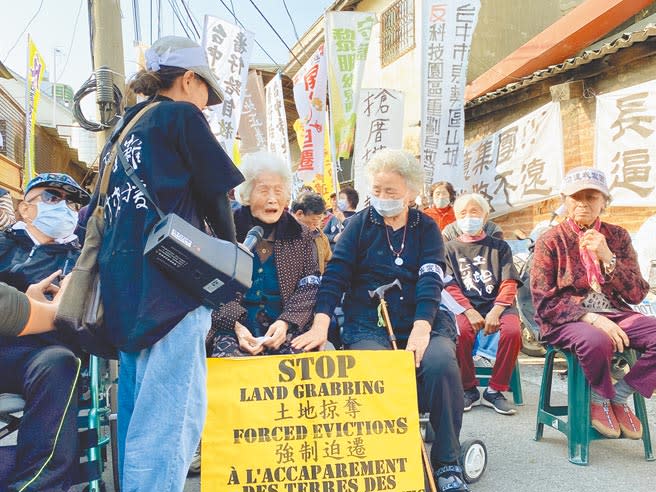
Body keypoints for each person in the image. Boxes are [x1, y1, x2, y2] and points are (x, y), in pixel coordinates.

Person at [91, 36, 244, 491]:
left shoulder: (123, 129)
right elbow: (215, 192)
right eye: (206, 93)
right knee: (171, 426)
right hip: (173, 286)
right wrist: (231, 254)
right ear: (190, 78)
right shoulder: (180, 116)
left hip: (125, 291)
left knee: (140, 421)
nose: (207, 104)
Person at [294, 149, 469, 492]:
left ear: (411, 192)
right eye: (378, 190)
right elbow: (336, 276)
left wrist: (422, 327)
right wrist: (321, 321)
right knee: (377, 368)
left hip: (422, 316)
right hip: (368, 319)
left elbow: (432, 276)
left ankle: (447, 461)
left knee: (440, 363)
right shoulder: (359, 224)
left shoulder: (426, 228)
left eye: (392, 191)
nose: (383, 198)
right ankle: (389, 456)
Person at [531, 167, 656, 439]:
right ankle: (599, 398)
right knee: (596, 340)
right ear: (564, 201)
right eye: (576, 197)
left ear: (604, 202)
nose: (583, 203)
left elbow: (636, 294)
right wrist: (591, 317)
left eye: (592, 197)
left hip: (615, 312)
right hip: (565, 319)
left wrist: (607, 256)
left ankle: (620, 396)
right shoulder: (550, 240)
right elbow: (542, 301)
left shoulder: (618, 236)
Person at [0, 172, 89, 491]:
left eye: (71, 202)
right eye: (53, 197)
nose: (64, 206)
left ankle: (36, 484)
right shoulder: (2, 245)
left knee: (60, 363)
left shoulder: (81, 260)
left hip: (42, 355)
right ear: (25, 208)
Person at [207, 152, 320, 358]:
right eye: (263, 190)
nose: (272, 199)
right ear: (247, 194)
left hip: (284, 328)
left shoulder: (300, 234)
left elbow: (310, 286)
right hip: (234, 329)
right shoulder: (222, 230)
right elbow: (207, 286)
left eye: (278, 191)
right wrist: (236, 327)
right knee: (230, 370)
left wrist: (285, 323)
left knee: (300, 370)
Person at [444, 193, 522, 415]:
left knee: (513, 332)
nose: (468, 217)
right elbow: (449, 286)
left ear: (486, 215)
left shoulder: (500, 247)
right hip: (464, 307)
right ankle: (468, 388)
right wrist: (468, 311)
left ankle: (495, 390)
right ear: (456, 218)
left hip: (498, 305)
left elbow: (509, 282)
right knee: (460, 332)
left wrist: (496, 311)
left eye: (474, 212)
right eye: (463, 213)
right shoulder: (449, 249)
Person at [291, 192, 332, 274]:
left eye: (320, 218)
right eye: (314, 219)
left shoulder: (321, 237)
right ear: (299, 214)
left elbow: (329, 261)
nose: (317, 223)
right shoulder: (284, 237)